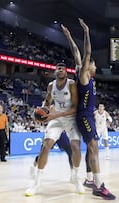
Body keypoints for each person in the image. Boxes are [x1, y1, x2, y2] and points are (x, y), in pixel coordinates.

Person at [63, 19, 116, 200]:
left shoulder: (81, 73)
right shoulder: (85, 75)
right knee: (93, 147)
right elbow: (86, 52)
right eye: (93, 64)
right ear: (89, 66)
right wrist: (86, 32)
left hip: (87, 116)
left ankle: (91, 179)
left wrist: (69, 36)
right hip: (84, 115)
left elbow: (76, 52)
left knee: (94, 149)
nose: (95, 66)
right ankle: (99, 186)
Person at [25, 63, 84, 196]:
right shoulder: (51, 86)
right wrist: (41, 113)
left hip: (70, 118)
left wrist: (54, 115)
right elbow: (47, 103)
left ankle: (76, 177)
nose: (60, 70)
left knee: (75, 147)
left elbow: (75, 108)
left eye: (63, 68)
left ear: (66, 72)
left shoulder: (72, 84)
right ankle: (36, 183)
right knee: (45, 146)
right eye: (58, 68)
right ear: (55, 72)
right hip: (56, 118)